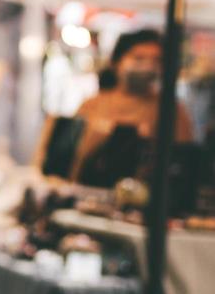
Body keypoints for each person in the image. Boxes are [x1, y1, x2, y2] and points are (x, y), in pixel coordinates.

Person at [38, 29, 194, 184]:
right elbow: (68, 158)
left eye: (156, 60)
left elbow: (182, 163)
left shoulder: (170, 111)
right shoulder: (92, 104)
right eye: (139, 58)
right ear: (117, 62)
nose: (148, 66)